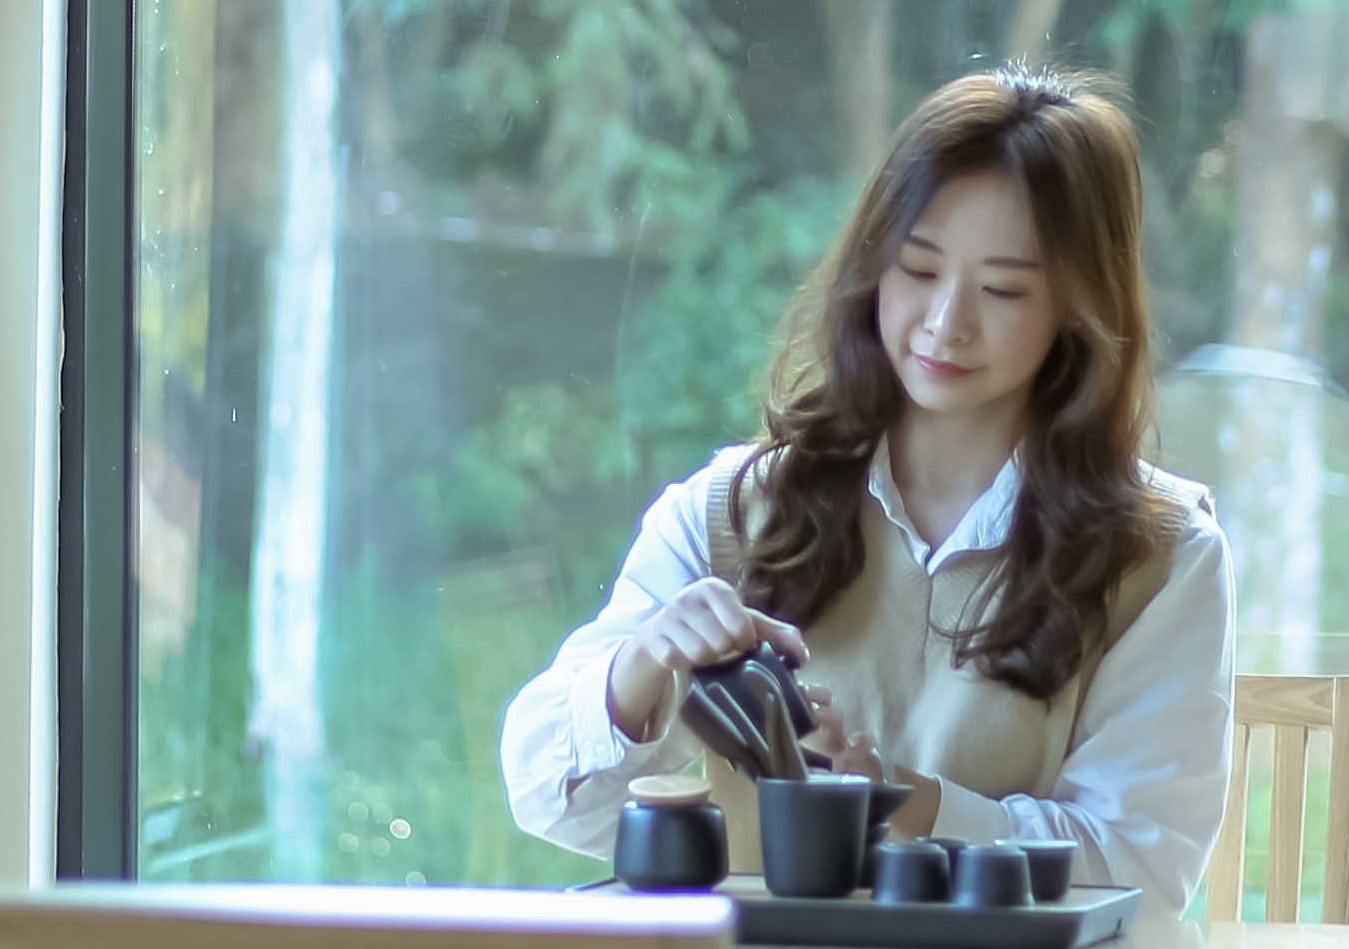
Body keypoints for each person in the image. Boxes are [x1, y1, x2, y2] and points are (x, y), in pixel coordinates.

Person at [500, 66, 1232, 893]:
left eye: (1001, 289)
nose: (946, 323)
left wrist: (896, 798)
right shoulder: (732, 514)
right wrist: (639, 668)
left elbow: (1142, 867)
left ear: (1077, 303)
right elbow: (549, 799)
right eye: (917, 269)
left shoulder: (1159, 557)